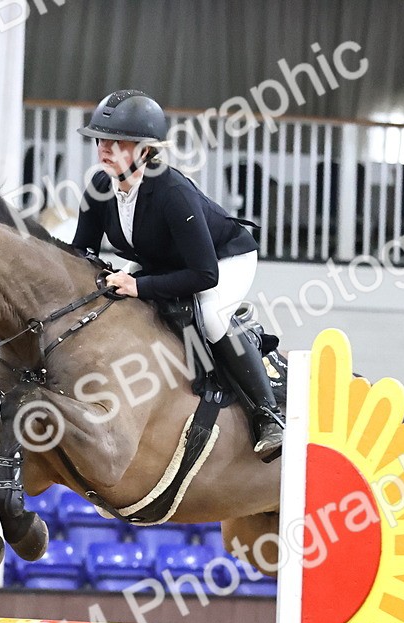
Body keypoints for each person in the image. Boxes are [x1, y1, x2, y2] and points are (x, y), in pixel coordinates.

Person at [71, 89, 283, 461]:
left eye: (117, 142)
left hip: (221, 261)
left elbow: (204, 274)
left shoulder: (172, 192)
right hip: (161, 259)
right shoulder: (99, 187)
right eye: (102, 140)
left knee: (213, 318)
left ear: (144, 149)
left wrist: (138, 285)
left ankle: (267, 416)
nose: (105, 149)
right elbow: (82, 253)